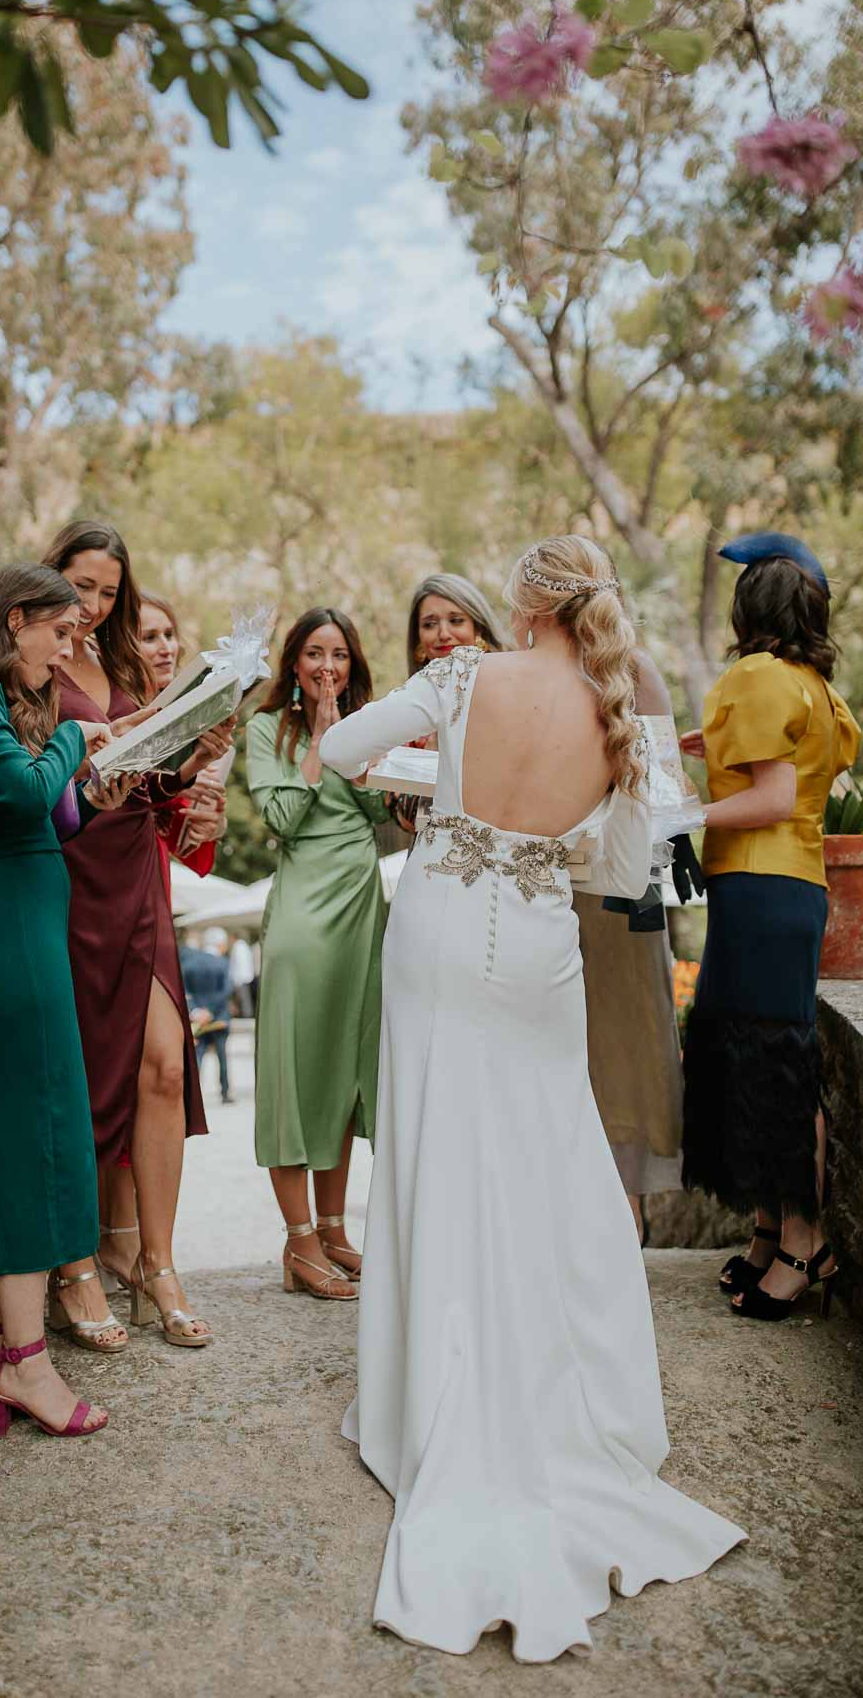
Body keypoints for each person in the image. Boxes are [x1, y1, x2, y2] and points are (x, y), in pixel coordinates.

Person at [319, 535, 744, 1662]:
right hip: (539, 944)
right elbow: (619, 868)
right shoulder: (616, 705)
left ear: (524, 602)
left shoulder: (462, 674)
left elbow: (340, 748)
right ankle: (566, 1405)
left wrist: (431, 777)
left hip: (438, 925)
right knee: (546, 1155)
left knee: (436, 1151)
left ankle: (427, 1395)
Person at [0, 561, 133, 1439]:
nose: (67, 649)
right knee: (39, 1134)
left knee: (18, 1130)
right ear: (15, 620)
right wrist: (81, 742)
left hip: (22, 918)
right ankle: (26, 1365)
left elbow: (45, 811)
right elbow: (19, 791)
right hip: (8, 929)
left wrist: (89, 784)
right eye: (61, 632)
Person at [44, 522, 235, 1350]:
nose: (91, 606)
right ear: (49, 578)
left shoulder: (119, 667)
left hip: (137, 877)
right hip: (69, 883)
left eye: (108, 592)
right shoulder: (26, 670)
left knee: (163, 1064)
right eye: (80, 586)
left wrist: (194, 768)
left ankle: (156, 1262)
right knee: (89, 1080)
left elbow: (151, 783)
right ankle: (76, 1265)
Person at [680, 532, 860, 1321]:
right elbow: (805, 768)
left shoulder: (755, 675)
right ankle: (765, 1229)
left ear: (748, 606)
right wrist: (711, 748)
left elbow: (771, 798)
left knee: (771, 1064)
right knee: (750, 1053)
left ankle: (801, 1241)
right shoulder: (813, 683)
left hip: (759, 880)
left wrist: (682, 809)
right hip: (788, 887)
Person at [246, 606, 389, 1301]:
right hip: (304, 910)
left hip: (363, 905)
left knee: (346, 1070)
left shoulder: (374, 726)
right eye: (313, 653)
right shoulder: (263, 729)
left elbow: (382, 815)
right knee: (294, 1070)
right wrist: (320, 742)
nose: (326, 666)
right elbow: (281, 819)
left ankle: (334, 1228)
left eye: (338, 654)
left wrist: (355, 748)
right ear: (293, 664)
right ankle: (298, 1240)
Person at [574, 649, 685, 1244]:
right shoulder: (538, 668)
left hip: (624, 885)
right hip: (550, 884)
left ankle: (625, 1217)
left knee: (627, 1038)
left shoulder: (638, 671)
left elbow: (666, 779)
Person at [386, 573, 506, 847]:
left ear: (478, 630)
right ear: (418, 640)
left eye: (455, 620)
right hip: (427, 858)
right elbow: (406, 817)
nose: (443, 634)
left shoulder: (507, 700)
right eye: (430, 624)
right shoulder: (408, 711)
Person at [137, 591, 229, 889]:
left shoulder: (189, 724)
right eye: (149, 638)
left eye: (169, 635)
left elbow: (193, 856)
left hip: (155, 878)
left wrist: (211, 826)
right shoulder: (115, 719)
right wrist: (181, 778)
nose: (167, 648)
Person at [181, 927, 232, 1104]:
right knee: (222, 1056)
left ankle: (194, 1095)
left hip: (197, 1018)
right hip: (218, 1017)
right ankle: (225, 1092)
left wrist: (196, 1011)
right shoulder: (223, 963)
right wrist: (210, 1011)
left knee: (197, 1057)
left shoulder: (190, 963)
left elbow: (185, 991)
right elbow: (226, 990)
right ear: (220, 944)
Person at [228, 932, 256, 1018]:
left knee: (243, 998)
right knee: (244, 998)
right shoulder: (243, 946)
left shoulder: (238, 947)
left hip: (241, 977)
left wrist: (236, 979)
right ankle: (246, 1013)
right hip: (245, 976)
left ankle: (246, 1014)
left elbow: (238, 964)